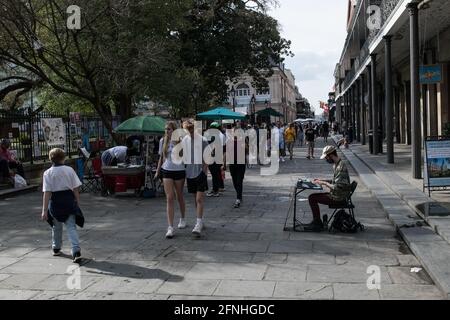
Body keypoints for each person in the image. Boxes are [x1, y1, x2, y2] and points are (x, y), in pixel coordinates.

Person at [41, 148, 84, 263]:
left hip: (55, 202)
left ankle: (56, 248)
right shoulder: (69, 170)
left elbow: (47, 192)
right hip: (69, 200)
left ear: (51, 159)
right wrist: (77, 202)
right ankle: (76, 251)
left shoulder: (47, 173)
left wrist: (44, 210)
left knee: (56, 226)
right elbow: (75, 188)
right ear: (63, 158)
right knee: (71, 227)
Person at [304, 146, 352, 232]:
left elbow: (337, 187)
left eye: (326, 157)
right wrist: (322, 180)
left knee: (312, 198)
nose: (326, 159)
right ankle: (317, 222)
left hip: (338, 198)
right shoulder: (338, 164)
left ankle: (317, 223)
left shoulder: (341, 167)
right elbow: (336, 181)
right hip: (337, 195)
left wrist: (325, 183)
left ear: (331, 155)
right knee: (312, 197)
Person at [155, 121, 187, 239]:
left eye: (168, 129)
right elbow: (161, 157)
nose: (166, 131)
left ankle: (182, 218)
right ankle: (170, 227)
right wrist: (158, 171)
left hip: (179, 170)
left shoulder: (181, 141)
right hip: (167, 170)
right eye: (165, 129)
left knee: (179, 196)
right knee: (169, 198)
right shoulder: (162, 141)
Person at [182, 120, 209, 237]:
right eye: (188, 130)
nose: (190, 133)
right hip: (190, 173)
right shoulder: (185, 140)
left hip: (200, 173)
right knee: (195, 199)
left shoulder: (202, 140)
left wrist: (204, 170)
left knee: (199, 199)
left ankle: (198, 224)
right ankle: (200, 220)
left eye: (192, 130)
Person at [225, 123, 248, 208]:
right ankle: (239, 194)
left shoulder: (242, 141)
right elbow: (226, 152)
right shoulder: (229, 141)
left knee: (239, 181)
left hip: (241, 164)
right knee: (234, 181)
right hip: (232, 164)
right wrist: (224, 163)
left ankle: (238, 198)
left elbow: (246, 150)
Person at [206, 122, 225, 198]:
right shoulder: (221, 135)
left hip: (213, 157)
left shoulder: (213, 135)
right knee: (216, 173)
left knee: (214, 174)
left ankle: (215, 190)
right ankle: (216, 188)